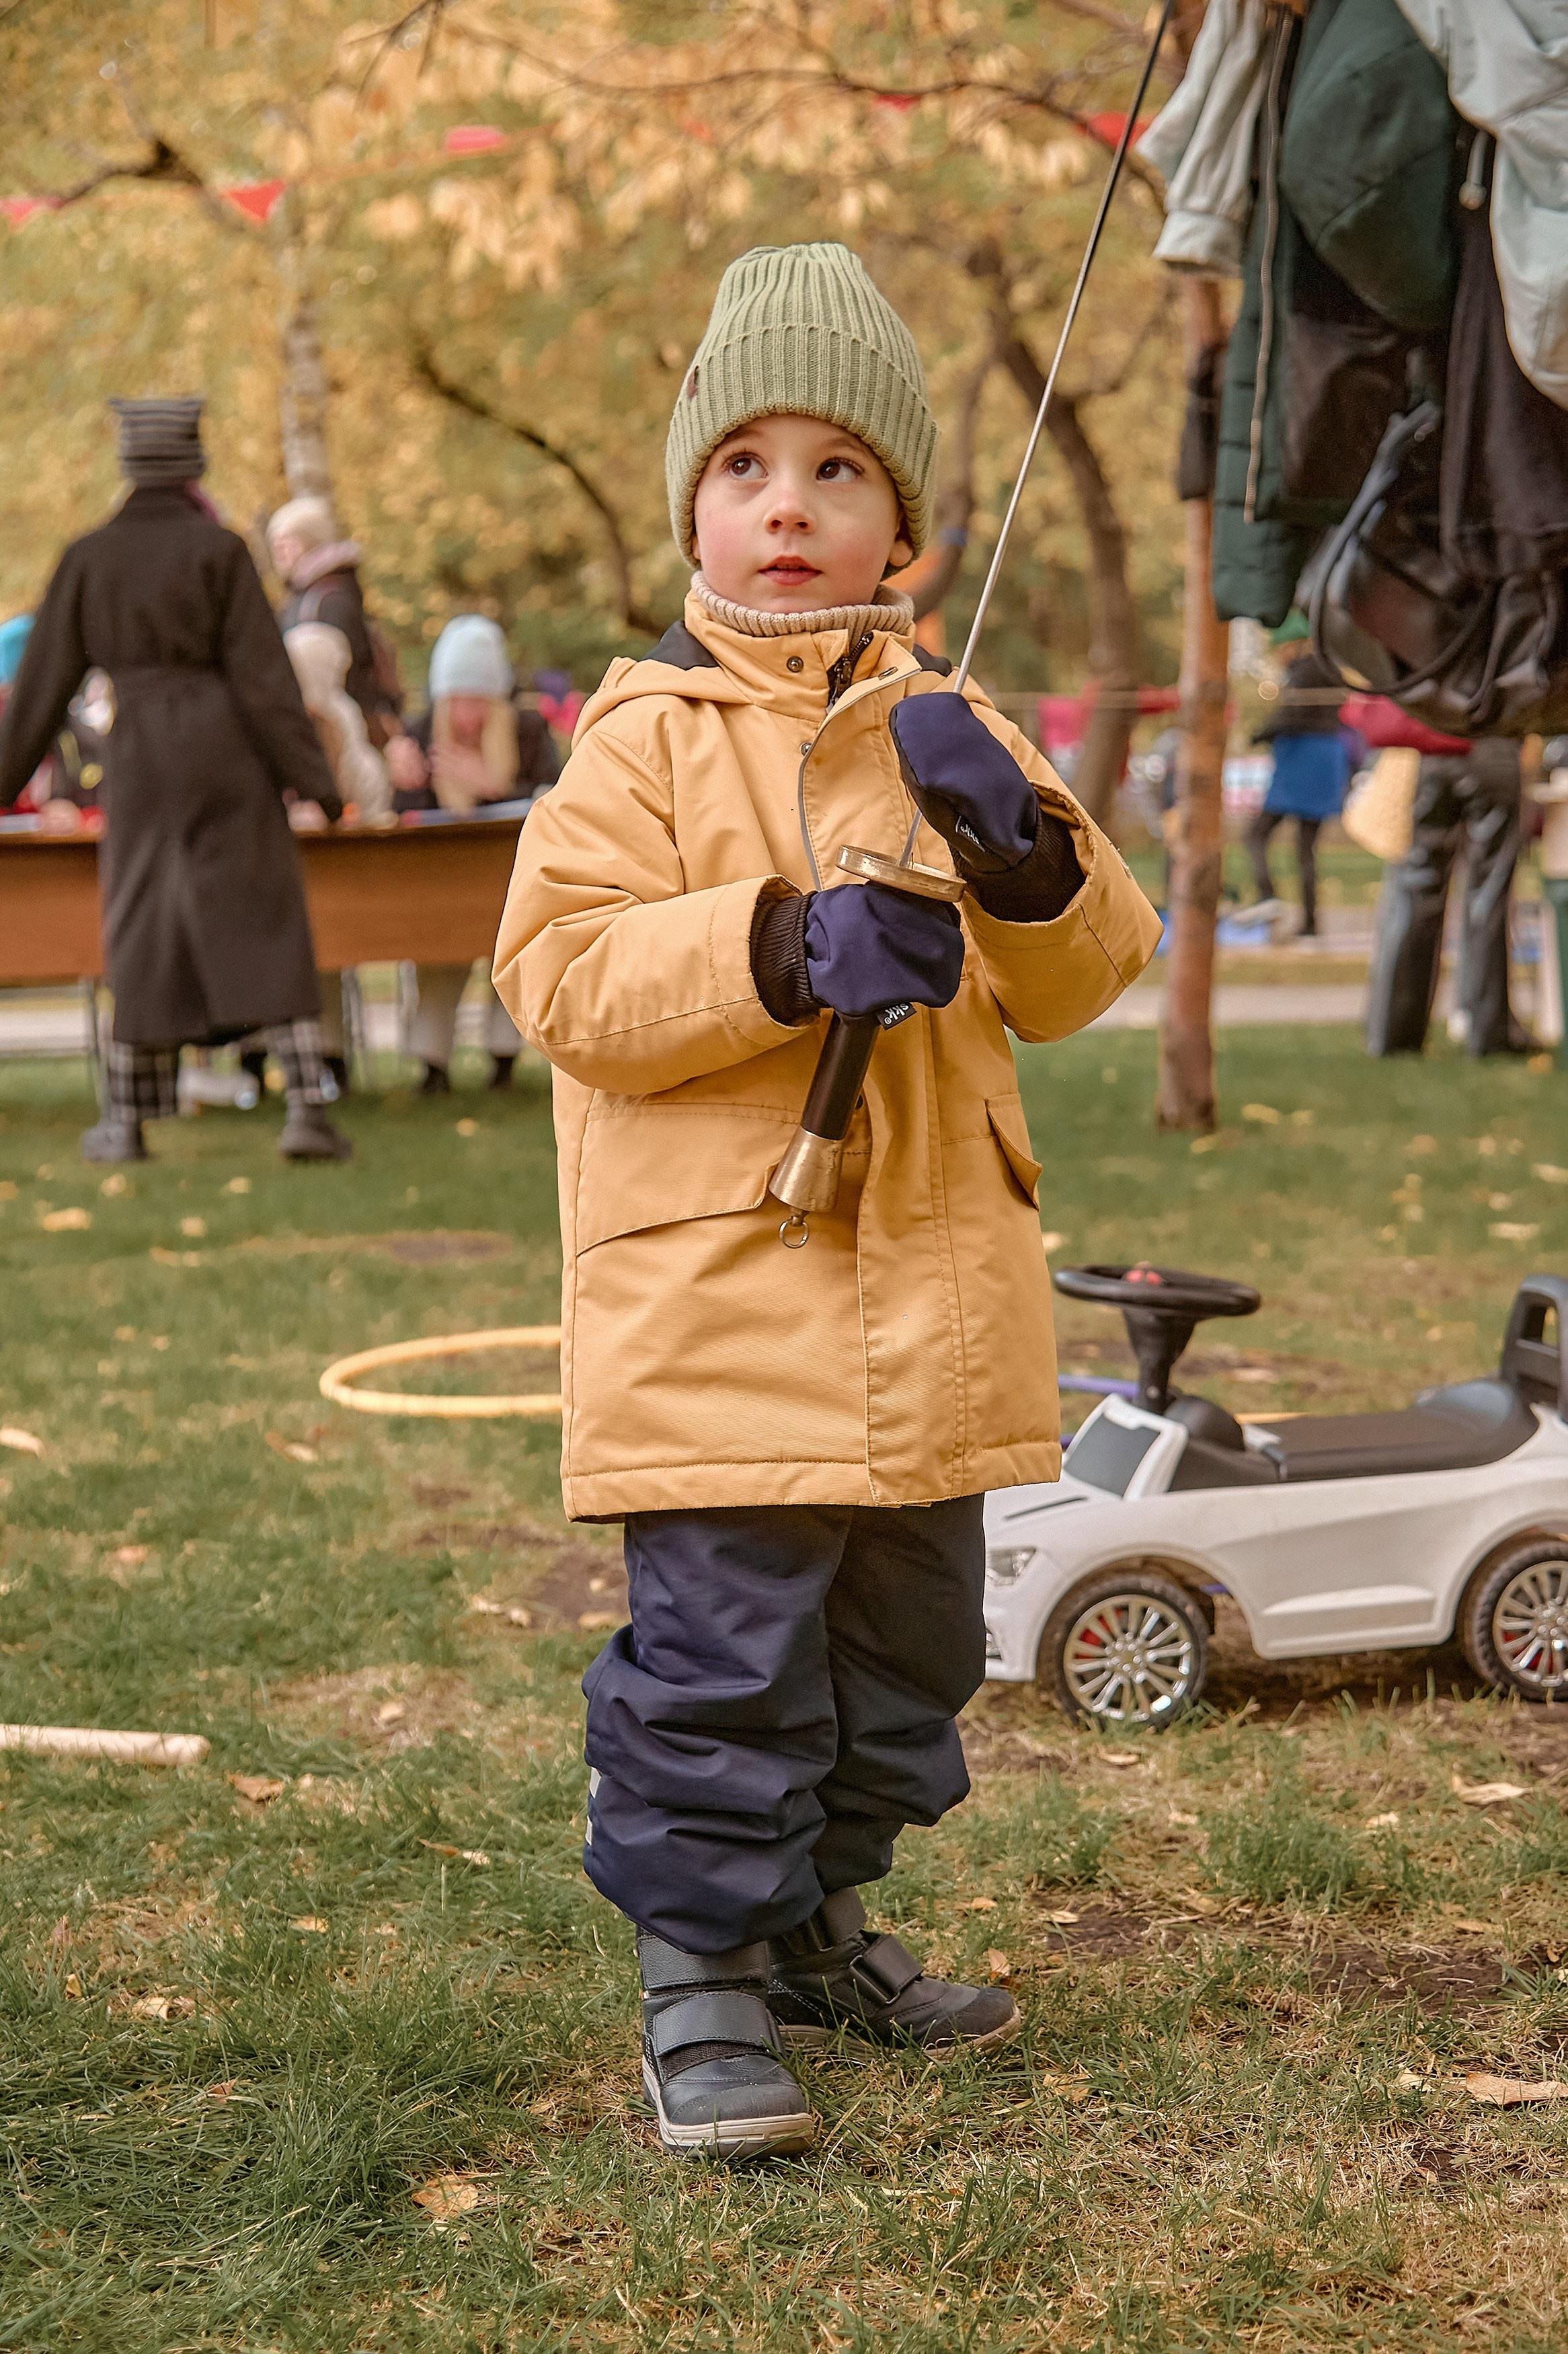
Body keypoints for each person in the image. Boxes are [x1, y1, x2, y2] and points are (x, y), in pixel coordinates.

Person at [493, 243, 1161, 2160]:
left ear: (907, 531)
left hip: (930, 1312)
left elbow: (1082, 966)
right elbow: (565, 983)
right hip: (720, 1308)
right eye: (747, 466)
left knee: (902, 1665)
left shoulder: (950, 721)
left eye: (838, 472)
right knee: (724, 1669)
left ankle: (811, 1921)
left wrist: (1018, 851)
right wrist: (779, 944)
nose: (787, 505)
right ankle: (698, 1973)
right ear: (693, 501)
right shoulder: (641, 742)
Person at [0, 398, 352, 1163]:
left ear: (129, 465)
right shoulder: (220, 551)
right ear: (193, 465)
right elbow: (266, 681)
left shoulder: (89, 556)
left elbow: (41, 685)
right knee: (264, 921)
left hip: (142, 762)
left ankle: (126, 1120)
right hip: (227, 756)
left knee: (142, 926)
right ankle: (306, 1111)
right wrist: (320, 785)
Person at [387, 614, 559, 1092]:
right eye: (457, 700)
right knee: (438, 955)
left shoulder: (527, 730)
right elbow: (405, 814)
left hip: (511, 874)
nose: (467, 715)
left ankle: (502, 1061)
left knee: (513, 947)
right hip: (439, 878)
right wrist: (403, 784)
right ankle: (432, 1064)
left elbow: (556, 798)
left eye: (478, 701)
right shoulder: (421, 732)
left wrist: (492, 786)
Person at [1364, 735, 1528, 1057]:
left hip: (1432, 748)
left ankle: (1393, 1034)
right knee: (1488, 896)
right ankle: (1488, 1034)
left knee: (1416, 889)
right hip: (1494, 749)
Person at [268, 496, 403, 745]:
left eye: (287, 543)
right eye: (275, 544)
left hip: (344, 733)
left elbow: (336, 681)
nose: (280, 552)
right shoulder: (311, 597)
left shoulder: (327, 602)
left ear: (313, 543)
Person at [1247, 640, 1348, 940]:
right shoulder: (1333, 668)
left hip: (1303, 758)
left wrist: (1261, 733)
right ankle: (1311, 923)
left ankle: (1268, 898)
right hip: (1328, 755)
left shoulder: (1304, 670)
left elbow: (1293, 713)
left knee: (1257, 833)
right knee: (1306, 847)